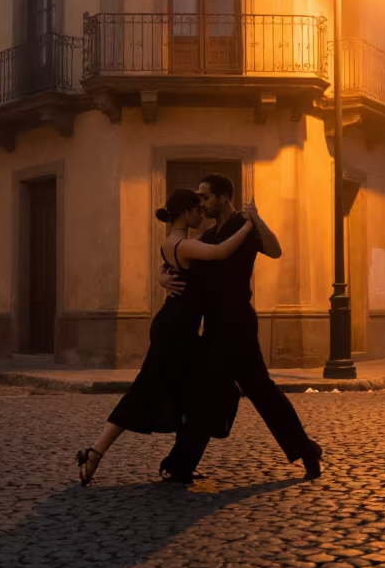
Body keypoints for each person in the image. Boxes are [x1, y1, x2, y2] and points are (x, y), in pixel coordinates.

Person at [76, 188, 253, 486]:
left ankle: (180, 463)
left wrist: (162, 277)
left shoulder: (176, 244)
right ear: (185, 212)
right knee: (146, 389)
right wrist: (250, 225)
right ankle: (94, 453)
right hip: (174, 331)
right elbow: (222, 251)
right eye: (197, 209)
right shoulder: (183, 245)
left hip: (178, 327)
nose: (201, 214)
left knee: (193, 392)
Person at [159, 174, 323, 481]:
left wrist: (257, 220)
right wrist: (162, 277)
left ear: (223, 197)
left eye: (205, 197)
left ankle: (181, 463)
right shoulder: (209, 235)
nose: (201, 203)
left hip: (236, 323)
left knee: (210, 391)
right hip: (216, 322)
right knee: (259, 391)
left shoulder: (242, 225)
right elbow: (178, 256)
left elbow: (275, 250)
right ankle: (306, 449)